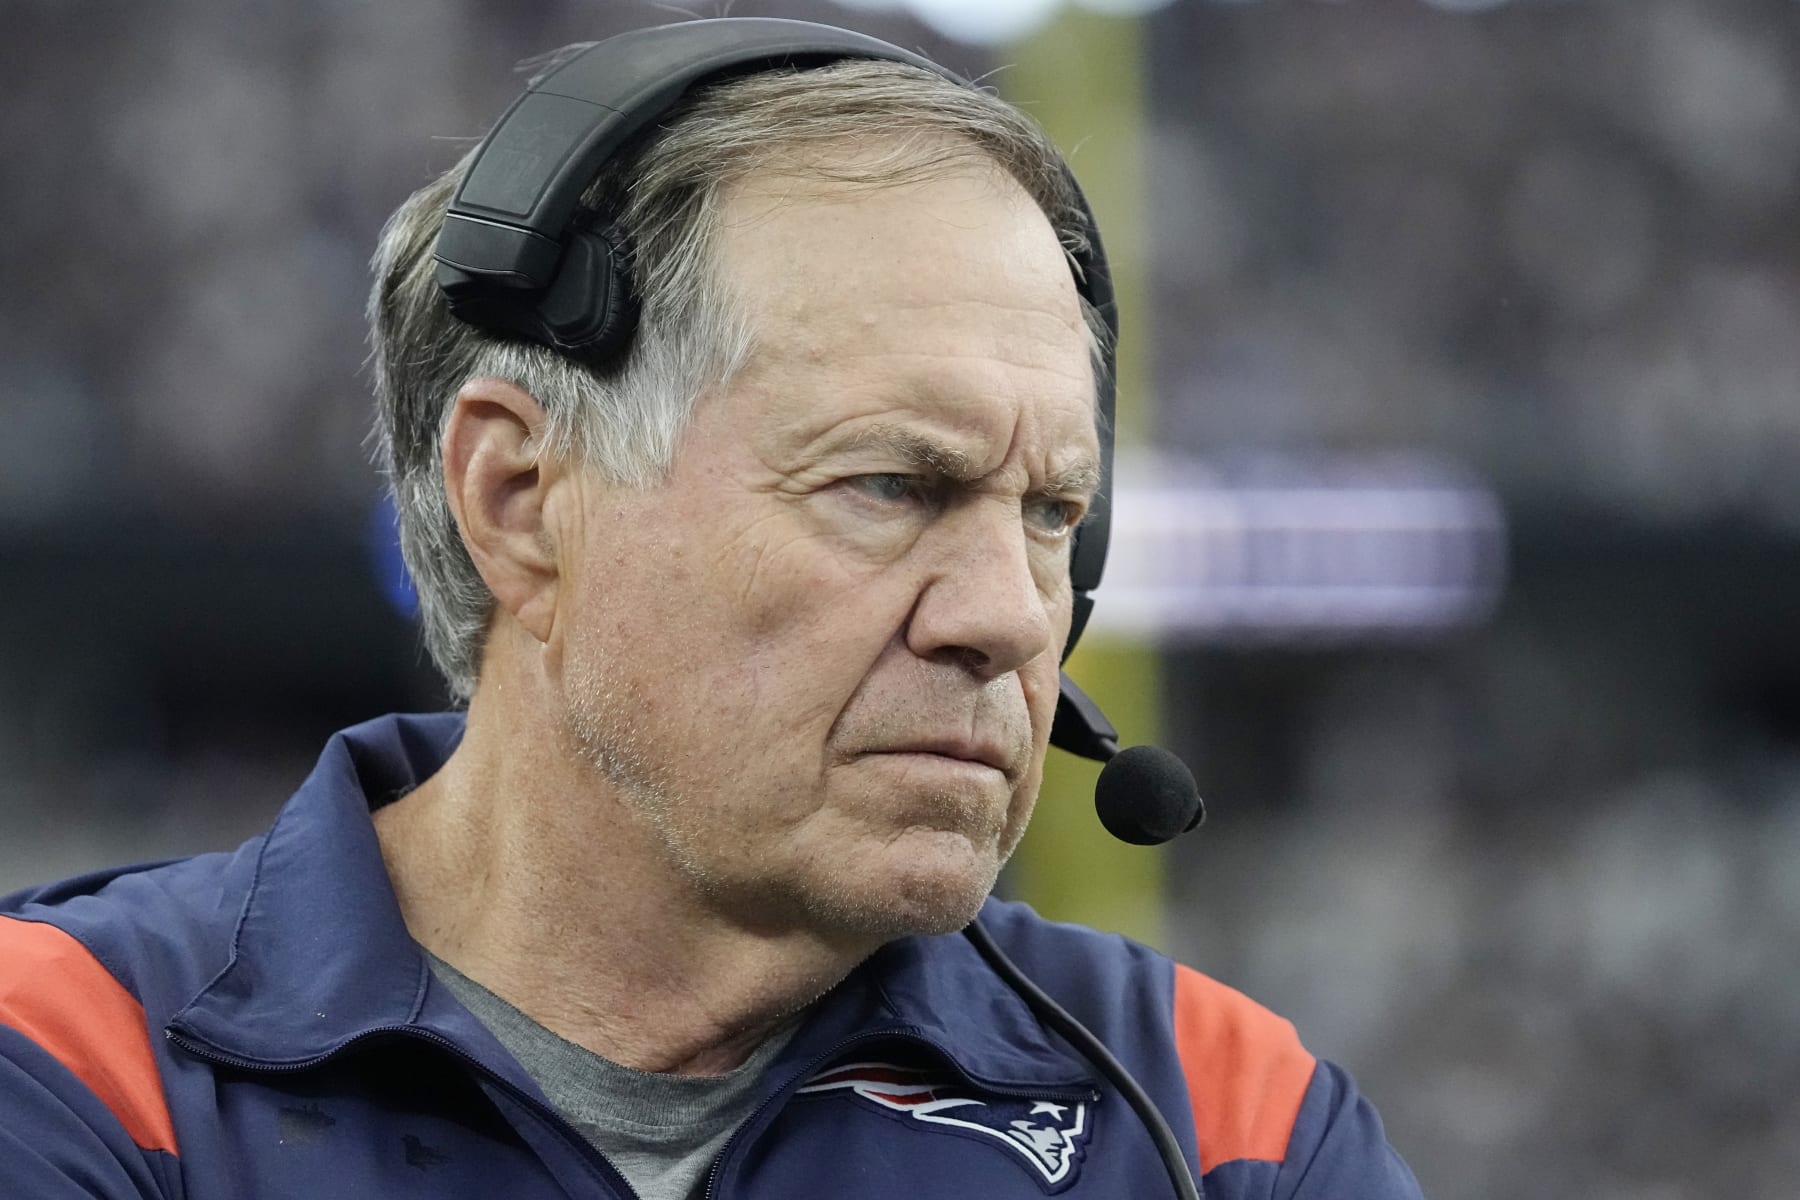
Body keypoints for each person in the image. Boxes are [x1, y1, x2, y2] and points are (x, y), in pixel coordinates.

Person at [0, 19, 1422, 1200]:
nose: (1009, 617)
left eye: (1051, 514)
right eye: (892, 484)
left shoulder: (1223, 1122)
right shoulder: (67, 1061)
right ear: (518, 496)